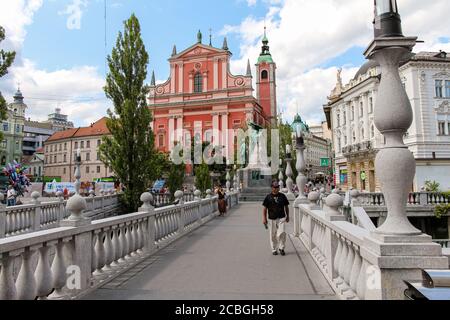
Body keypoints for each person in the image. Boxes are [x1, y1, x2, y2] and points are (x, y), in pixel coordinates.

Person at [262, 181, 290, 256]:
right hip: (271, 218)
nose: (276, 189)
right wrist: (264, 219)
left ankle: (281, 248)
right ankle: (274, 249)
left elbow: (286, 207)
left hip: (281, 217)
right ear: (272, 188)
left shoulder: (282, 196)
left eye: (277, 187)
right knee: (272, 234)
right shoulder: (268, 197)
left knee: (282, 233)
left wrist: (288, 216)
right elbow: (264, 209)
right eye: (275, 187)